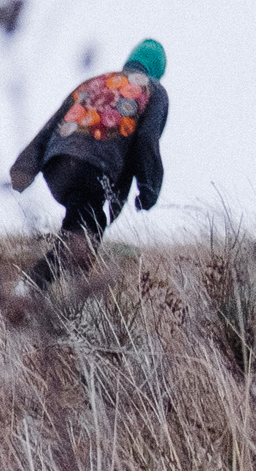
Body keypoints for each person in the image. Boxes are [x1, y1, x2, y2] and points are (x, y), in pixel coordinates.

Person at [9, 39, 169, 290]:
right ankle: (28, 288)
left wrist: (24, 167)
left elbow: (53, 124)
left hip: (58, 164)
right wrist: (149, 188)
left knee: (84, 233)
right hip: (93, 166)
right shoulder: (153, 90)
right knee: (82, 238)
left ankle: (70, 305)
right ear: (157, 70)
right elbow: (146, 140)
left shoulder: (94, 82)